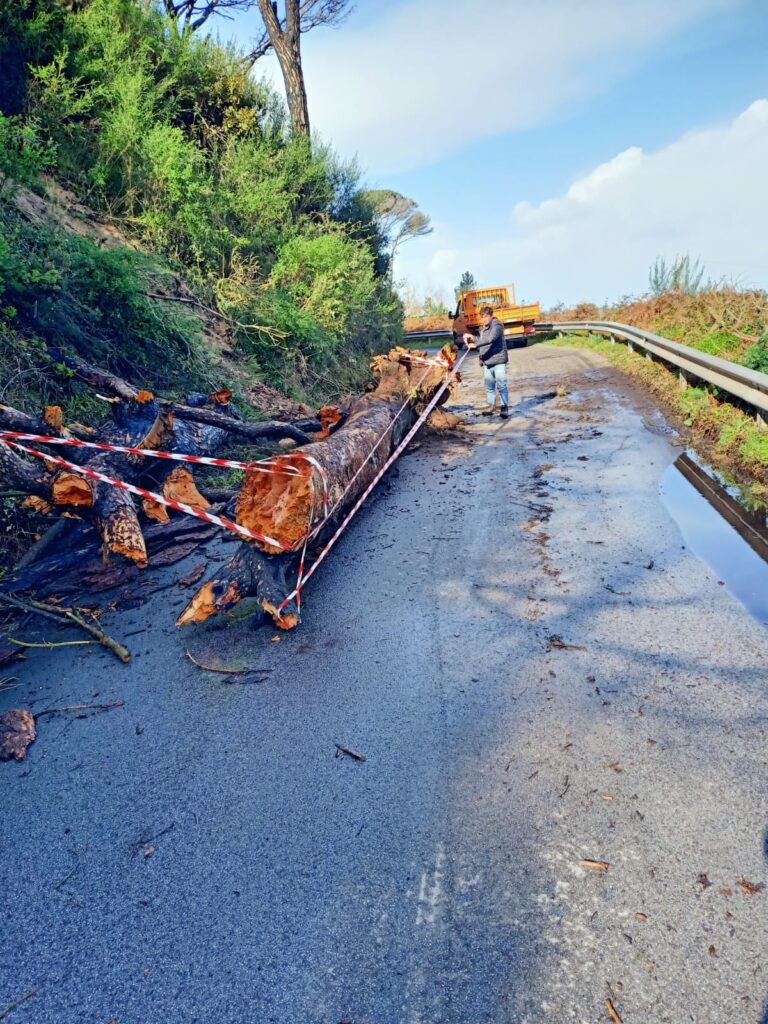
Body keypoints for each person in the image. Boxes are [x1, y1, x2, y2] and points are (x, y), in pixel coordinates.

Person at [464, 305, 509, 418]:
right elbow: (482, 340)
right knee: (489, 387)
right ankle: (491, 406)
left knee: (501, 385)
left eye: (485, 316)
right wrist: (472, 337)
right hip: (487, 362)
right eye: (482, 317)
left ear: (490, 315)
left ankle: (504, 408)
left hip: (498, 361)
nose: (483, 319)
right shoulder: (484, 328)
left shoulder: (497, 325)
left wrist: (475, 344)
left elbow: (491, 339)